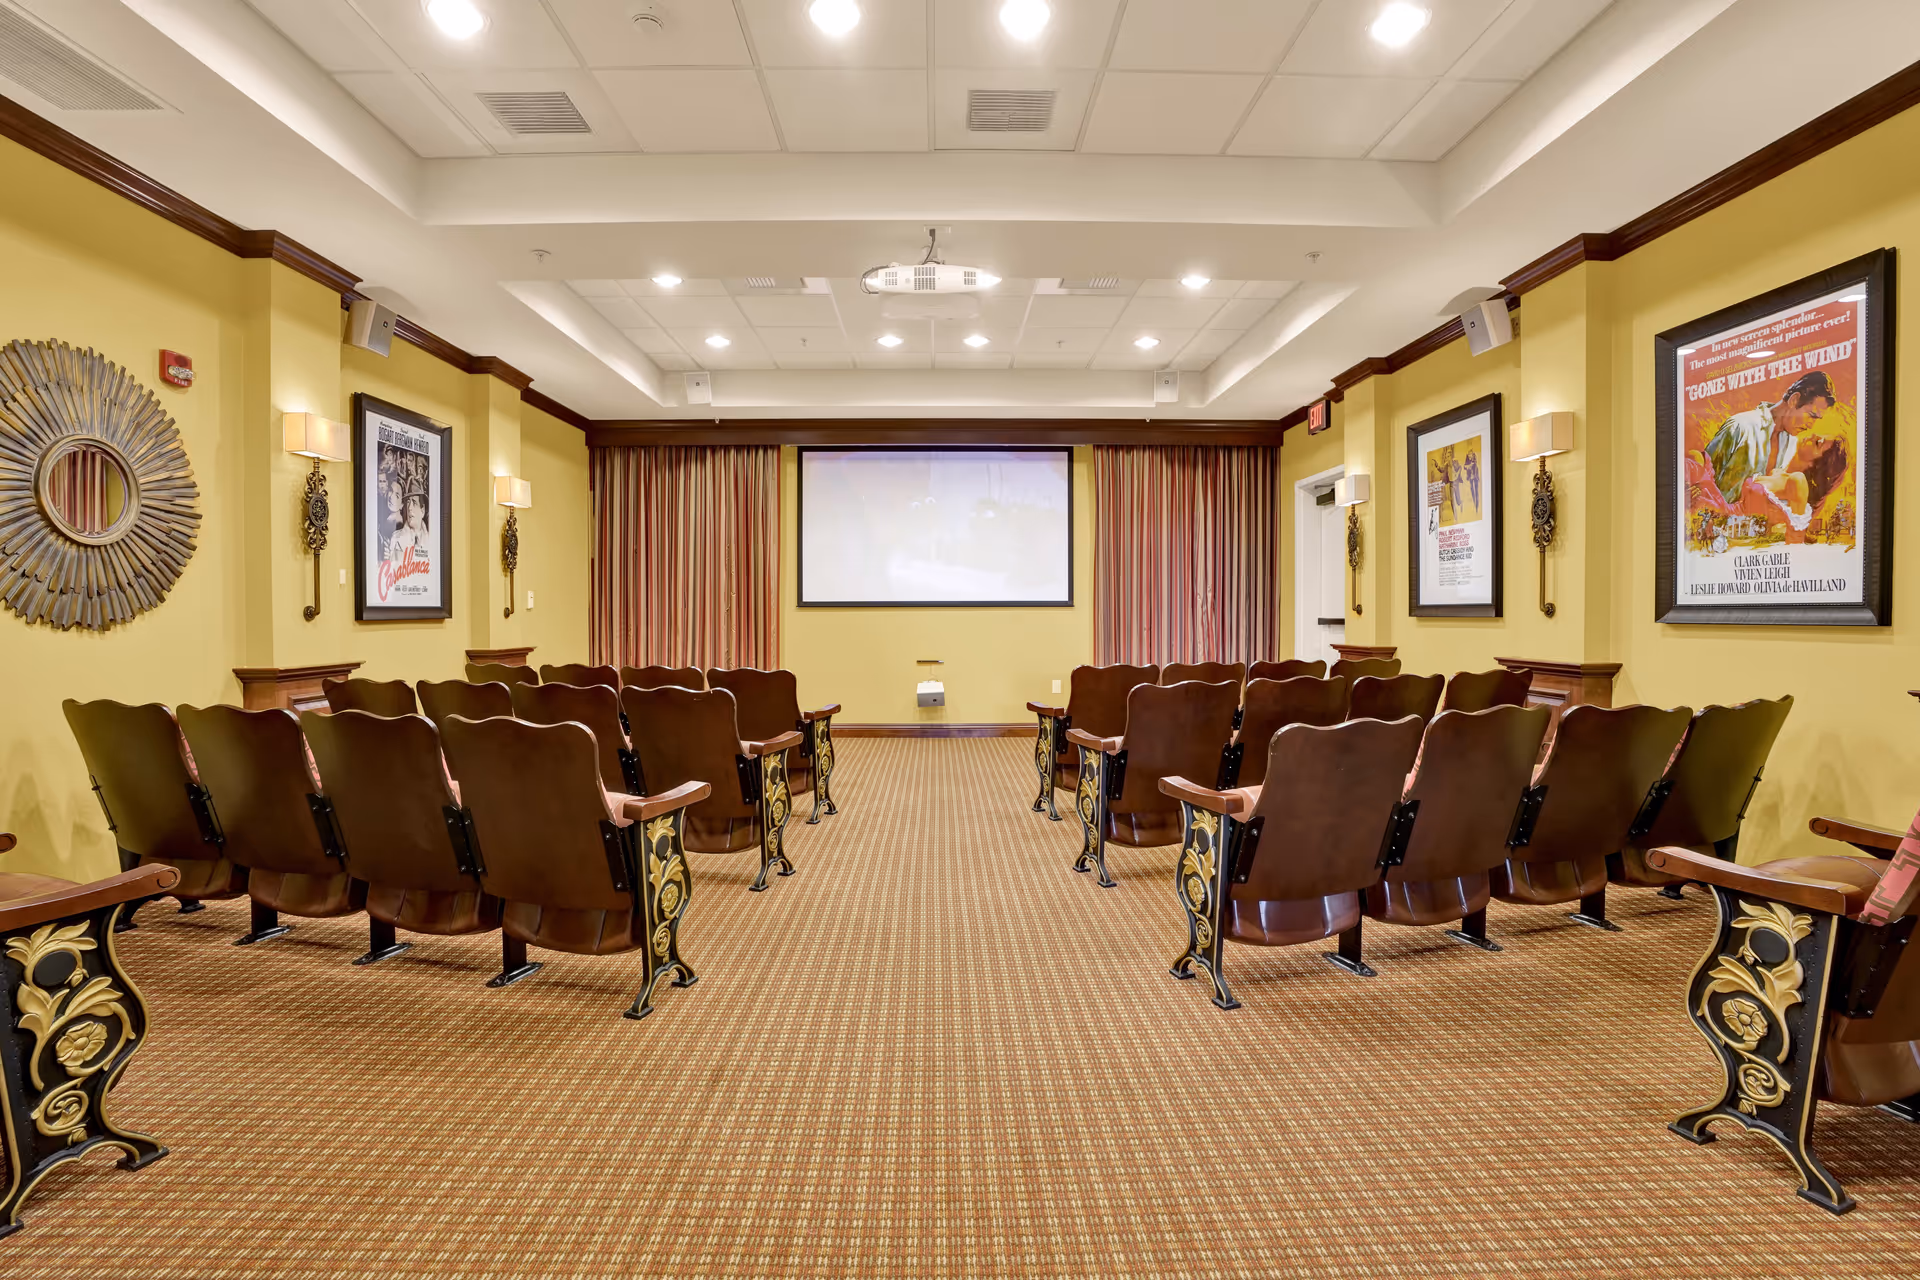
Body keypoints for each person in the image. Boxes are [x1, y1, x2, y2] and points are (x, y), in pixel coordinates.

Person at [1695, 369, 1837, 508]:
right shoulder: (1740, 427)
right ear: (1794, 400)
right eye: (1811, 415)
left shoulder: (1791, 442)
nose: (1811, 425)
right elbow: (1700, 478)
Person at [387, 489, 431, 563]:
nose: (409, 508)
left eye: (414, 503)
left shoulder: (431, 540)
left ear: (422, 510)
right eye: (408, 502)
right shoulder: (396, 539)